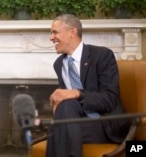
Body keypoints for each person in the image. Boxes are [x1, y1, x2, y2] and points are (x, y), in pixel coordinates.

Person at [47, 14, 130, 157]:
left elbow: (110, 99)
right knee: (65, 109)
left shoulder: (102, 55)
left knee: (58, 129)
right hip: (77, 121)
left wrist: (77, 93)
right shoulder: (59, 64)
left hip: (104, 124)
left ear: (72, 32)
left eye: (55, 32)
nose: (51, 37)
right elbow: (70, 106)